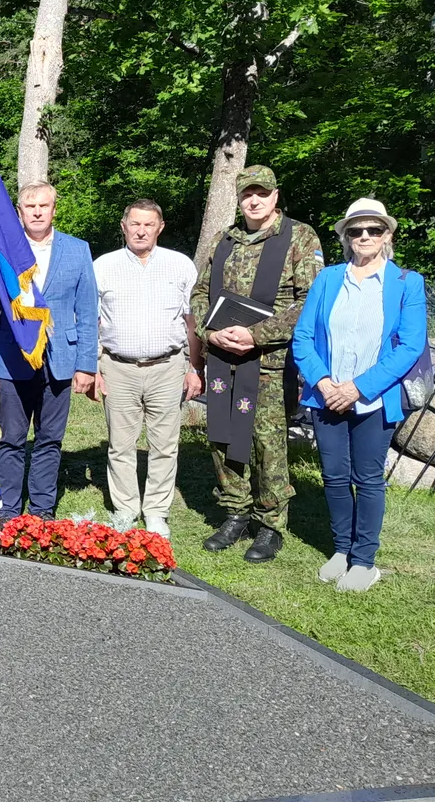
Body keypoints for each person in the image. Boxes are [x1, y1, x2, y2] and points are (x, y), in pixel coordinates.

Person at [192, 165, 323, 563]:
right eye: (247, 193)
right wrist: (208, 332)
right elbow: (199, 292)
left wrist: (257, 335)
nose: (254, 200)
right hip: (221, 358)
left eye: (261, 193)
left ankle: (269, 524)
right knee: (222, 434)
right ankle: (235, 511)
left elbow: (310, 301)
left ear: (275, 196)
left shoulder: (298, 237)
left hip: (269, 361)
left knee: (266, 442)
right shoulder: (224, 239)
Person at [292, 198, 424, 591]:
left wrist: (357, 388)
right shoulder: (329, 278)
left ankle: (364, 560)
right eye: (356, 230)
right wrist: (326, 383)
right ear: (346, 237)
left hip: (373, 399)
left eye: (374, 229)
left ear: (387, 235)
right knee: (334, 476)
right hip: (326, 396)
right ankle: (341, 550)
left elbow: (410, 346)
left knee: (367, 478)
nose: (364, 236)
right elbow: (302, 338)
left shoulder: (406, 283)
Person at [0, 181, 97, 524]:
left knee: (49, 439)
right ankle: (11, 513)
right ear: (19, 213)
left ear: (54, 209)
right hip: (14, 359)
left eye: (44, 206)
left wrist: (86, 365)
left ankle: (42, 512)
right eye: (30, 207)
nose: (38, 212)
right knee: (12, 439)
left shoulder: (78, 250)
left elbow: (87, 312)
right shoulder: (3, 253)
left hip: (61, 360)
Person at [92, 199, 203, 538]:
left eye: (148, 224)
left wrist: (194, 367)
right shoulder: (103, 266)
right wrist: (94, 368)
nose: (141, 230)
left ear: (160, 227)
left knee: (165, 443)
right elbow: (92, 322)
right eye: (134, 224)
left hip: (168, 367)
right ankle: (125, 509)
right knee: (120, 444)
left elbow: (192, 322)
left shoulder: (180, 265)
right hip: (117, 367)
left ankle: (156, 511)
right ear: (124, 227)